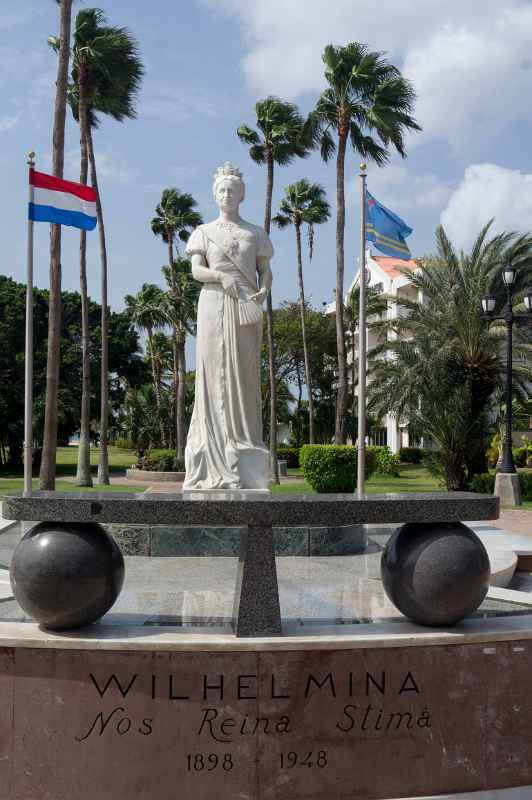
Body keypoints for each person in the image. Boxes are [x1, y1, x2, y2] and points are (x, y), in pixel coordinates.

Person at [183, 162, 273, 490]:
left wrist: (264, 289)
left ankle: (243, 441)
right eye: (222, 190)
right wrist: (220, 275)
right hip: (212, 302)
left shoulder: (255, 234)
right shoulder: (203, 233)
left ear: (241, 195)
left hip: (246, 306)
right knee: (213, 373)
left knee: (244, 373)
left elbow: (265, 270)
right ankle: (213, 448)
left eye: (232, 190)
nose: (226, 195)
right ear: (214, 195)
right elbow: (196, 271)